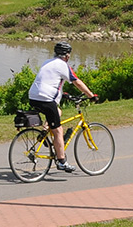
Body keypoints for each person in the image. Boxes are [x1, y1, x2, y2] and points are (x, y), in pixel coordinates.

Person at [27, 42, 98, 174]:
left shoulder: (48, 62)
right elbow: (77, 81)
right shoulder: (63, 65)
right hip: (46, 98)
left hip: (33, 96)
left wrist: (62, 94)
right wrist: (91, 95)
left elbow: (49, 80)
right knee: (59, 130)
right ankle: (62, 161)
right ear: (67, 55)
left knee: (57, 111)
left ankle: (44, 134)